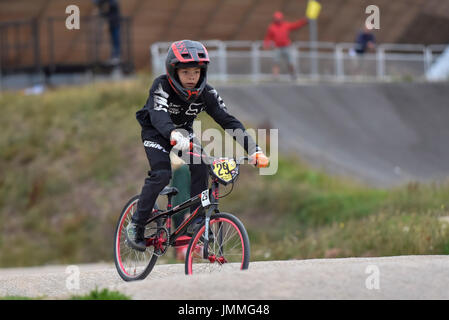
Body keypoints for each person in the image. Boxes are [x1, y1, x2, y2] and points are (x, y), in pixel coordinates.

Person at [126, 40, 270, 251]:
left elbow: (228, 121)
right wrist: (171, 133)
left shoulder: (207, 93)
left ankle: (196, 220)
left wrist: (254, 150)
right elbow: (157, 115)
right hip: (156, 133)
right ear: (173, 71)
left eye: (196, 71)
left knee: (202, 165)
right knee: (161, 174)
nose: (192, 77)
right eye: (185, 72)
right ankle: (137, 223)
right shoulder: (161, 85)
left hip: (184, 134)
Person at [263, 11, 308, 80]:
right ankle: (275, 77)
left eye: (279, 18)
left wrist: (303, 21)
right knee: (275, 62)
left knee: (291, 62)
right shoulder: (271, 27)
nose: (278, 20)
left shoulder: (285, 25)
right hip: (277, 47)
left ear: (281, 18)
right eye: (276, 18)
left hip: (287, 47)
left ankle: (293, 75)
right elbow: (268, 37)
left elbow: (296, 25)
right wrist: (266, 44)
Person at [93, 0, 121, 64]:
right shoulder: (111, 7)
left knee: (116, 41)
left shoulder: (113, 3)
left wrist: (100, 3)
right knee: (113, 42)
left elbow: (110, 4)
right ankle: (114, 56)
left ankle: (116, 56)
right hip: (112, 25)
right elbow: (107, 14)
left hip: (115, 25)